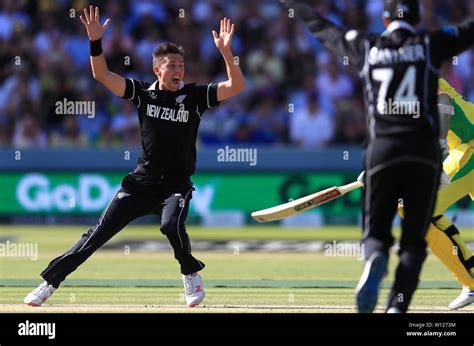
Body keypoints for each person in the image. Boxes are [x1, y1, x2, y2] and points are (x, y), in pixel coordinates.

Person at [24, 6, 245, 308]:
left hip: (175, 186)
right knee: (97, 235)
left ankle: (190, 272)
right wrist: (95, 41)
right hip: (139, 184)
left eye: (181, 65)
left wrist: (227, 52)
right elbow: (101, 74)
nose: (178, 70)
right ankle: (48, 284)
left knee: (170, 226)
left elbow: (237, 86)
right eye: (171, 65)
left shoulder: (194, 96)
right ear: (157, 70)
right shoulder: (142, 93)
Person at [283, 0, 474, 312]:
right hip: (453, 150)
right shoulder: (427, 49)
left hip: (465, 149)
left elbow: (443, 107)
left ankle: (460, 279)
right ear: (417, 20)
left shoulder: (373, 51)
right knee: (417, 223)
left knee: (413, 216)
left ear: (385, 21)